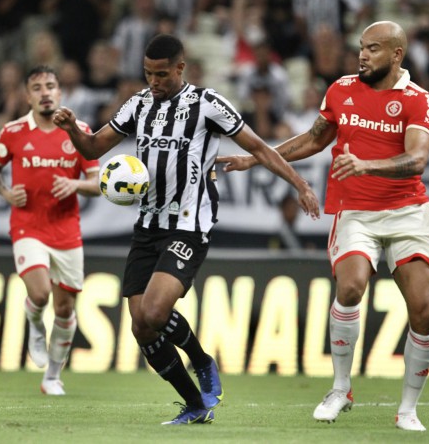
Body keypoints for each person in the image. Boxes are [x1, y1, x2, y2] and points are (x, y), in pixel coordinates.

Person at [52, 33, 319, 425]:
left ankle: (201, 360)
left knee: (155, 312)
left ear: (181, 68)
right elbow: (92, 148)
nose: (153, 82)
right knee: (141, 327)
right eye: (147, 74)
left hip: (189, 225)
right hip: (147, 225)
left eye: (161, 74)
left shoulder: (208, 104)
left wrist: (300, 184)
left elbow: (260, 147)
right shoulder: (138, 104)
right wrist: (72, 128)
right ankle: (195, 405)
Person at [217, 21, 429, 432]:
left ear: (396, 54)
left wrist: (367, 164)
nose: (362, 55)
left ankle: (408, 409)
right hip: (356, 210)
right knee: (350, 287)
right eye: (361, 47)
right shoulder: (341, 90)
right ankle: (340, 388)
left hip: (408, 213)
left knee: (424, 313)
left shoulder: (416, 99)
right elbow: (314, 139)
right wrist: (256, 158)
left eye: (373, 48)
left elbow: (417, 160)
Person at [0, 65, 100, 395]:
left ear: (60, 93)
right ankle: (36, 325)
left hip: (66, 231)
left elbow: (98, 184)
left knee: (65, 310)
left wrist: (75, 184)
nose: (45, 92)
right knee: (39, 294)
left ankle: (52, 377)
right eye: (37, 87)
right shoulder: (13, 131)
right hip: (27, 226)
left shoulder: (79, 131)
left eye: (50, 86)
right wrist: (6, 193)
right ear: (27, 95)